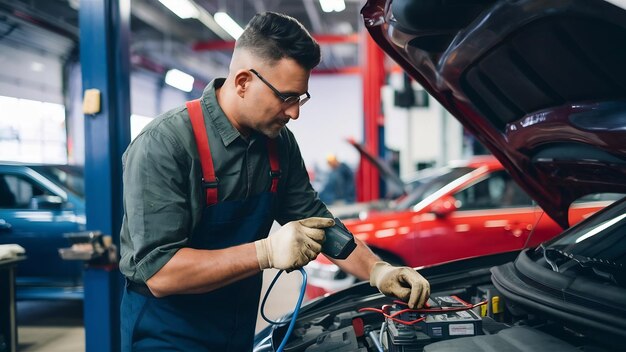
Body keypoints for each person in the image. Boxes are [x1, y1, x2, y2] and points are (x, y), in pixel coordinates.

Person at [119, 12, 429, 351]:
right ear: (242, 82)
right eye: (287, 97)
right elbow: (160, 273)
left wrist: (378, 270)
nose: (295, 112)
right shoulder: (166, 144)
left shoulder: (278, 144)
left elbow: (317, 221)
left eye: (300, 98)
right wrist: (265, 252)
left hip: (235, 326)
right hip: (166, 332)